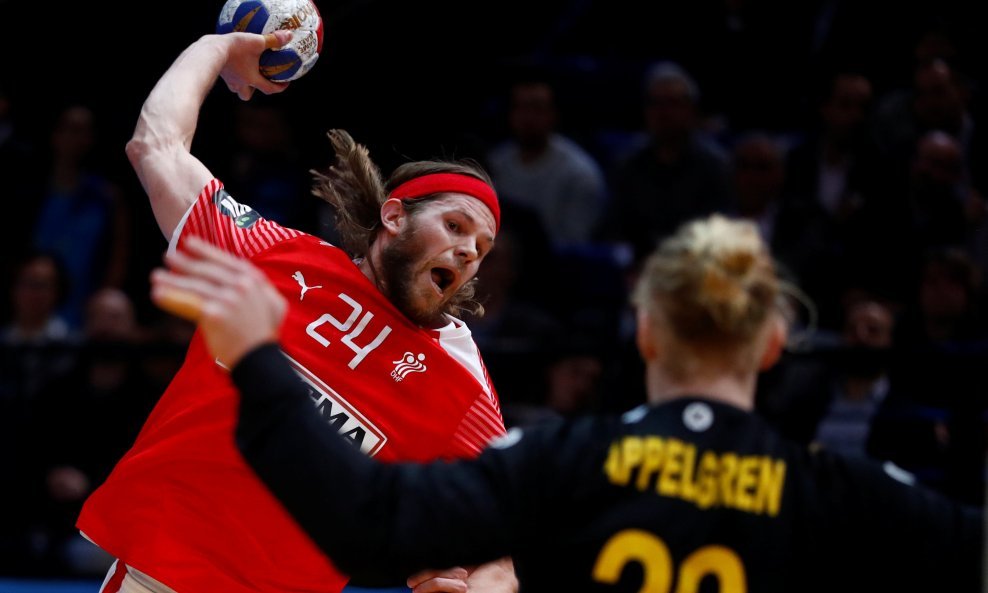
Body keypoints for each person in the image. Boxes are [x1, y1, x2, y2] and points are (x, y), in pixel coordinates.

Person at [153, 215, 981, 593]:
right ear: (771, 343)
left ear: (646, 331)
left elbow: (364, 515)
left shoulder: (566, 460)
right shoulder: (839, 493)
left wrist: (262, 359)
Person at [76, 29, 517, 593]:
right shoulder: (273, 255)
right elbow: (156, 146)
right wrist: (218, 49)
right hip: (160, 570)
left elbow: (500, 540)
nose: (466, 251)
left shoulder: (459, 381)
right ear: (394, 217)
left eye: (480, 249)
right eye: (455, 226)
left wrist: (482, 584)